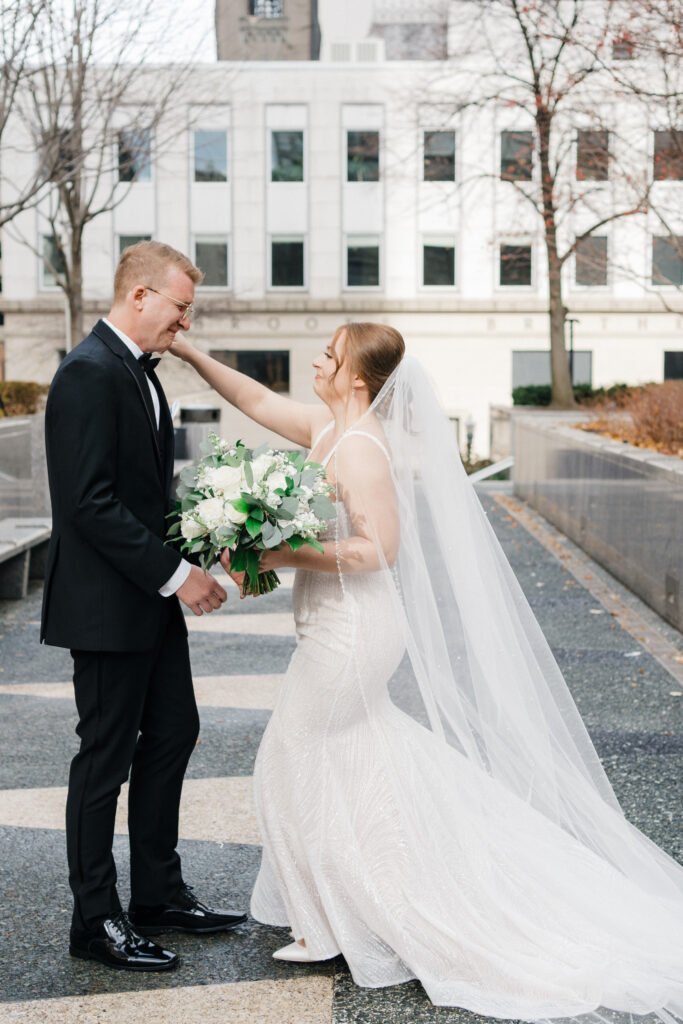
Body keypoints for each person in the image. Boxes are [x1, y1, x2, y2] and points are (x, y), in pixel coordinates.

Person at [170, 322, 683, 1023]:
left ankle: (330, 923)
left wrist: (284, 556)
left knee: (289, 757)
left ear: (358, 378)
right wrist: (190, 351)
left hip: (354, 630)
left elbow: (380, 548)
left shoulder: (361, 450)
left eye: (329, 355)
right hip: (334, 625)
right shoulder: (326, 429)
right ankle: (367, 903)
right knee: (360, 759)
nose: (318, 362)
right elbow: (256, 399)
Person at [41, 241, 246, 972]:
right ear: (138, 297)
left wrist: (203, 545)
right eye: (180, 306)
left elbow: (141, 494)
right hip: (106, 605)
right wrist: (174, 576)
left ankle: (157, 892)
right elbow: (88, 504)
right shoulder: (89, 374)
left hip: (148, 599)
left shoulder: (135, 371)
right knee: (103, 761)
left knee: (173, 732)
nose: (184, 322)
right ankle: (96, 920)